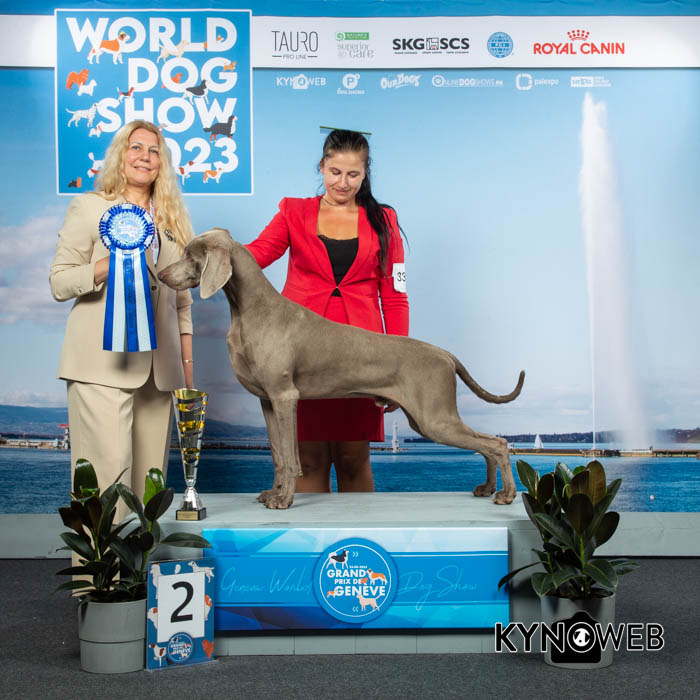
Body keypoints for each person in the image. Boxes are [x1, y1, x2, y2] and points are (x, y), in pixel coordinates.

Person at [246, 129, 409, 493]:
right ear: (321, 166)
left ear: (365, 173)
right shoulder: (293, 211)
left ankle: (359, 533)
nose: (343, 183)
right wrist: (216, 251)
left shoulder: (384, 220)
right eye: (335, 172)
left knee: (354, 458)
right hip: (301, 355)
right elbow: (256, 254)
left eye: (353, 174)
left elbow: (395, 297)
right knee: (308, 460)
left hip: (362, 355)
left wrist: (397, 369)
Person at [50, 120, 194, 510]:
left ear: (162, 163)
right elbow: (59, 282)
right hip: (101, 365)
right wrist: (108, 265)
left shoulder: (172, 222)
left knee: (149, 492)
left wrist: (187, 377)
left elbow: (181, 304)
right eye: (136, 147)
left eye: (154, 150)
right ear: (120, 155)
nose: (145, 157)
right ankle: (98, 556)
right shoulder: (90, 207)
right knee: (106, 483)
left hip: (159, 374)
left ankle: (139, 555)